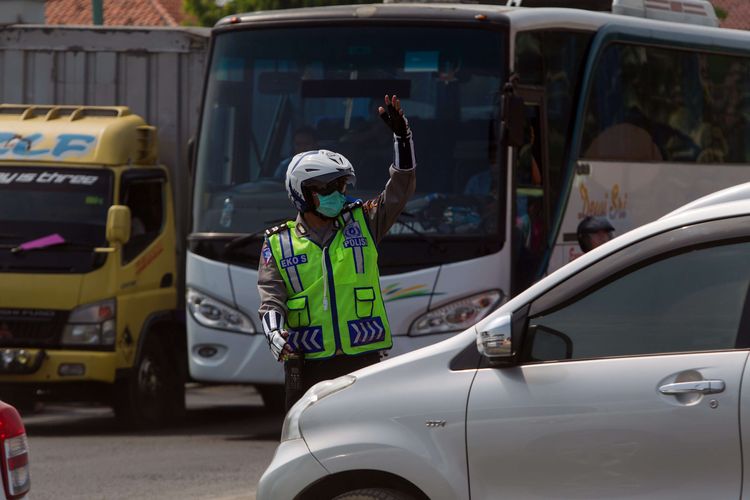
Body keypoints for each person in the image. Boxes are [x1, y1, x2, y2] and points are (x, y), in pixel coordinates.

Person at [257, 95, 416, 410]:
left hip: (364, 361)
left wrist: (403, 139)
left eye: (342, 187)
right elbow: (270, 299)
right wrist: (274, 333)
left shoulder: (364, 221)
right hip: (309, 366)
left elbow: (400, 190)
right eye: (328, 189)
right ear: (303, 194)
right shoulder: (278, 243)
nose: (338, 196)